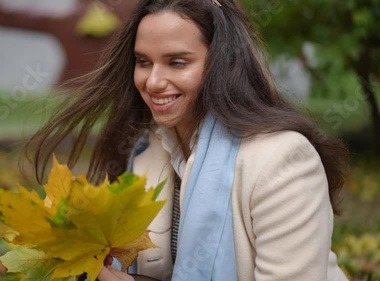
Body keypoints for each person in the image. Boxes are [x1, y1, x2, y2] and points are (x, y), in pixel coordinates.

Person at [24, 0, 350, 280]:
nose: (152, 81)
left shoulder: (283, 160)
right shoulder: (146, 152)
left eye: (177, 62)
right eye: (143, 62)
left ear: (222, 65)